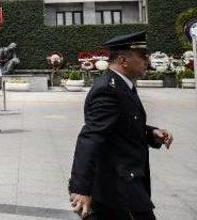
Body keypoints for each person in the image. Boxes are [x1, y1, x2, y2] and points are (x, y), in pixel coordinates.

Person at [69, 31, 174, 219]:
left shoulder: (123, 85)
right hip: (120, 187)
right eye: (142, 57)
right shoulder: (108, 90)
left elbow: (122, 124)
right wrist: (80, 189)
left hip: (122, 183)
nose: (147, 61)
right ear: (124, 60)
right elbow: (90, 138)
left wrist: (151, 133)